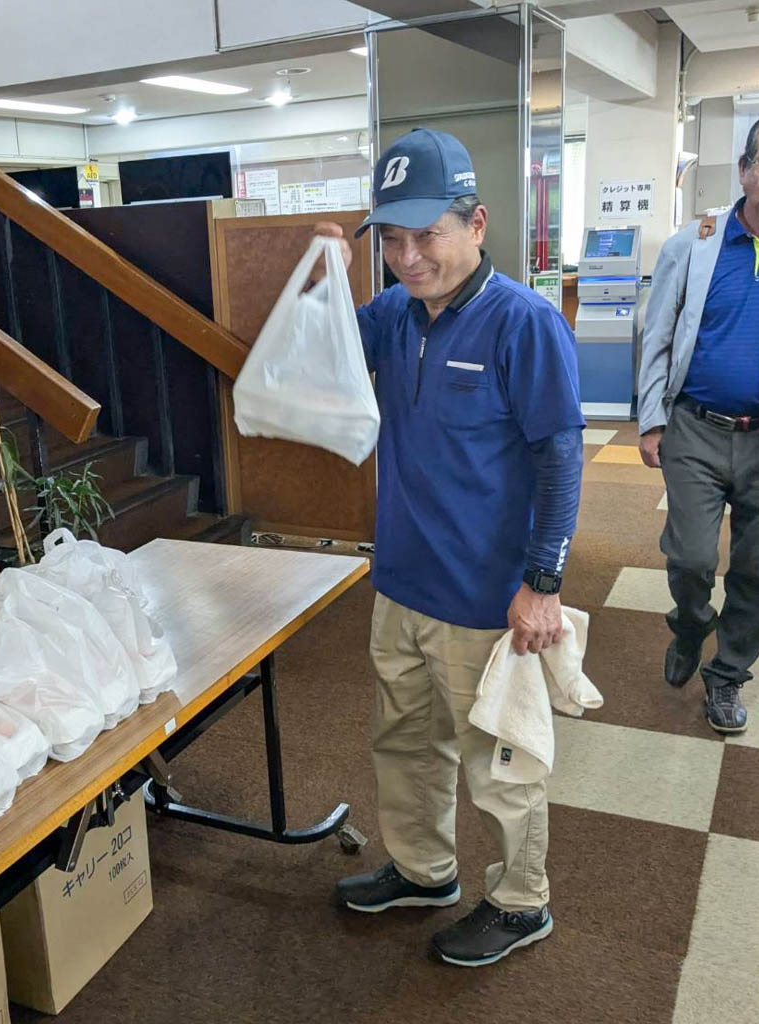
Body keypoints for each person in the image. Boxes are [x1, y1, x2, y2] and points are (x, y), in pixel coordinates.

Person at [316, 129, 585, 966]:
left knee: (500, 762)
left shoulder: (524, 323)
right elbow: (322, 356)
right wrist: (326, 276)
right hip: (401, 582)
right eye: (391, 239)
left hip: (485, 597)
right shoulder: (392, 316)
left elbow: (560, 457)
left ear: (476, 223)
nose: (407, 257)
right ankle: (423, 870)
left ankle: (521, 901)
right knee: (404, 742)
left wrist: (543, 582)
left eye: (427, 234)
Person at [637, 116, 759, 735]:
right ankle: (690, 625)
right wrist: (650, 419)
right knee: (689, 558)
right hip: (696, 427)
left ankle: (727, 674)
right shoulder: (695, 242)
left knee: (758, 568)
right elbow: (658, 332)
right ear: (746, 171)